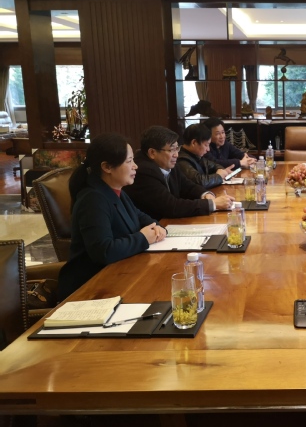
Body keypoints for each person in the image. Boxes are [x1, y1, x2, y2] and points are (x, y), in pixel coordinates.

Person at [58, 133, 166, 300]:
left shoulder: (115, 190)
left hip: (120, 275)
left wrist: (156, 227)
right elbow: (104, 251)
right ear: (107, 167)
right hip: (91, 289)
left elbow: (139, 216)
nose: (135, 166)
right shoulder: (93, 199)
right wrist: (143, 238)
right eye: (129, 161)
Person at [123, 125, 234, 220]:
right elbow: (171, 206)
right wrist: (213, 204)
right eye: (171, 150)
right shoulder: (143, 171)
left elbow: (188, 186)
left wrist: (206, 194)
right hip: (156, 228)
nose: (176, 154)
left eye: (177, 148)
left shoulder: (168, 163)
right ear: (152, 153)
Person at [177, 123, 234, 188]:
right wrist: (219, 176)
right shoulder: (181, 160)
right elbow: (199, 182)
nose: (208, 149)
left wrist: (222, 171)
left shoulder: (197, 156)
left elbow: (214, 165)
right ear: (194, 143)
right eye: (206, 145)